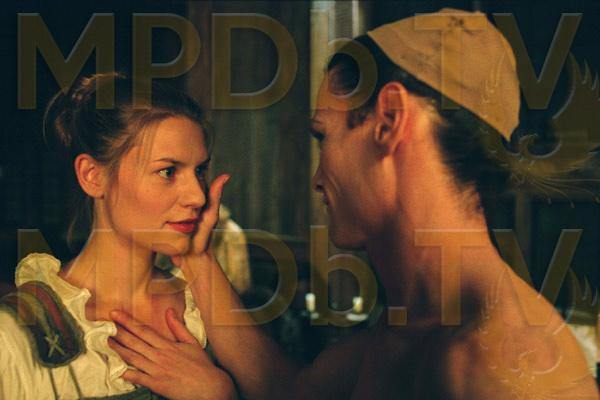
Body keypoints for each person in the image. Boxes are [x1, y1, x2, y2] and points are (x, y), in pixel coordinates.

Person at [109, 8, 599, 399]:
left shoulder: (503, 366)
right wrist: (197, 259)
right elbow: (291, 390)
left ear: (389, 119)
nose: (318, 178)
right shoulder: (414, 319)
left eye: (324, 136)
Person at [0, 73, 235, 399]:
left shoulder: (210, 314)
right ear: (93, 176)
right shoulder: (14, 336)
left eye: (199, 170)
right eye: (167, 171)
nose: (197, 196)